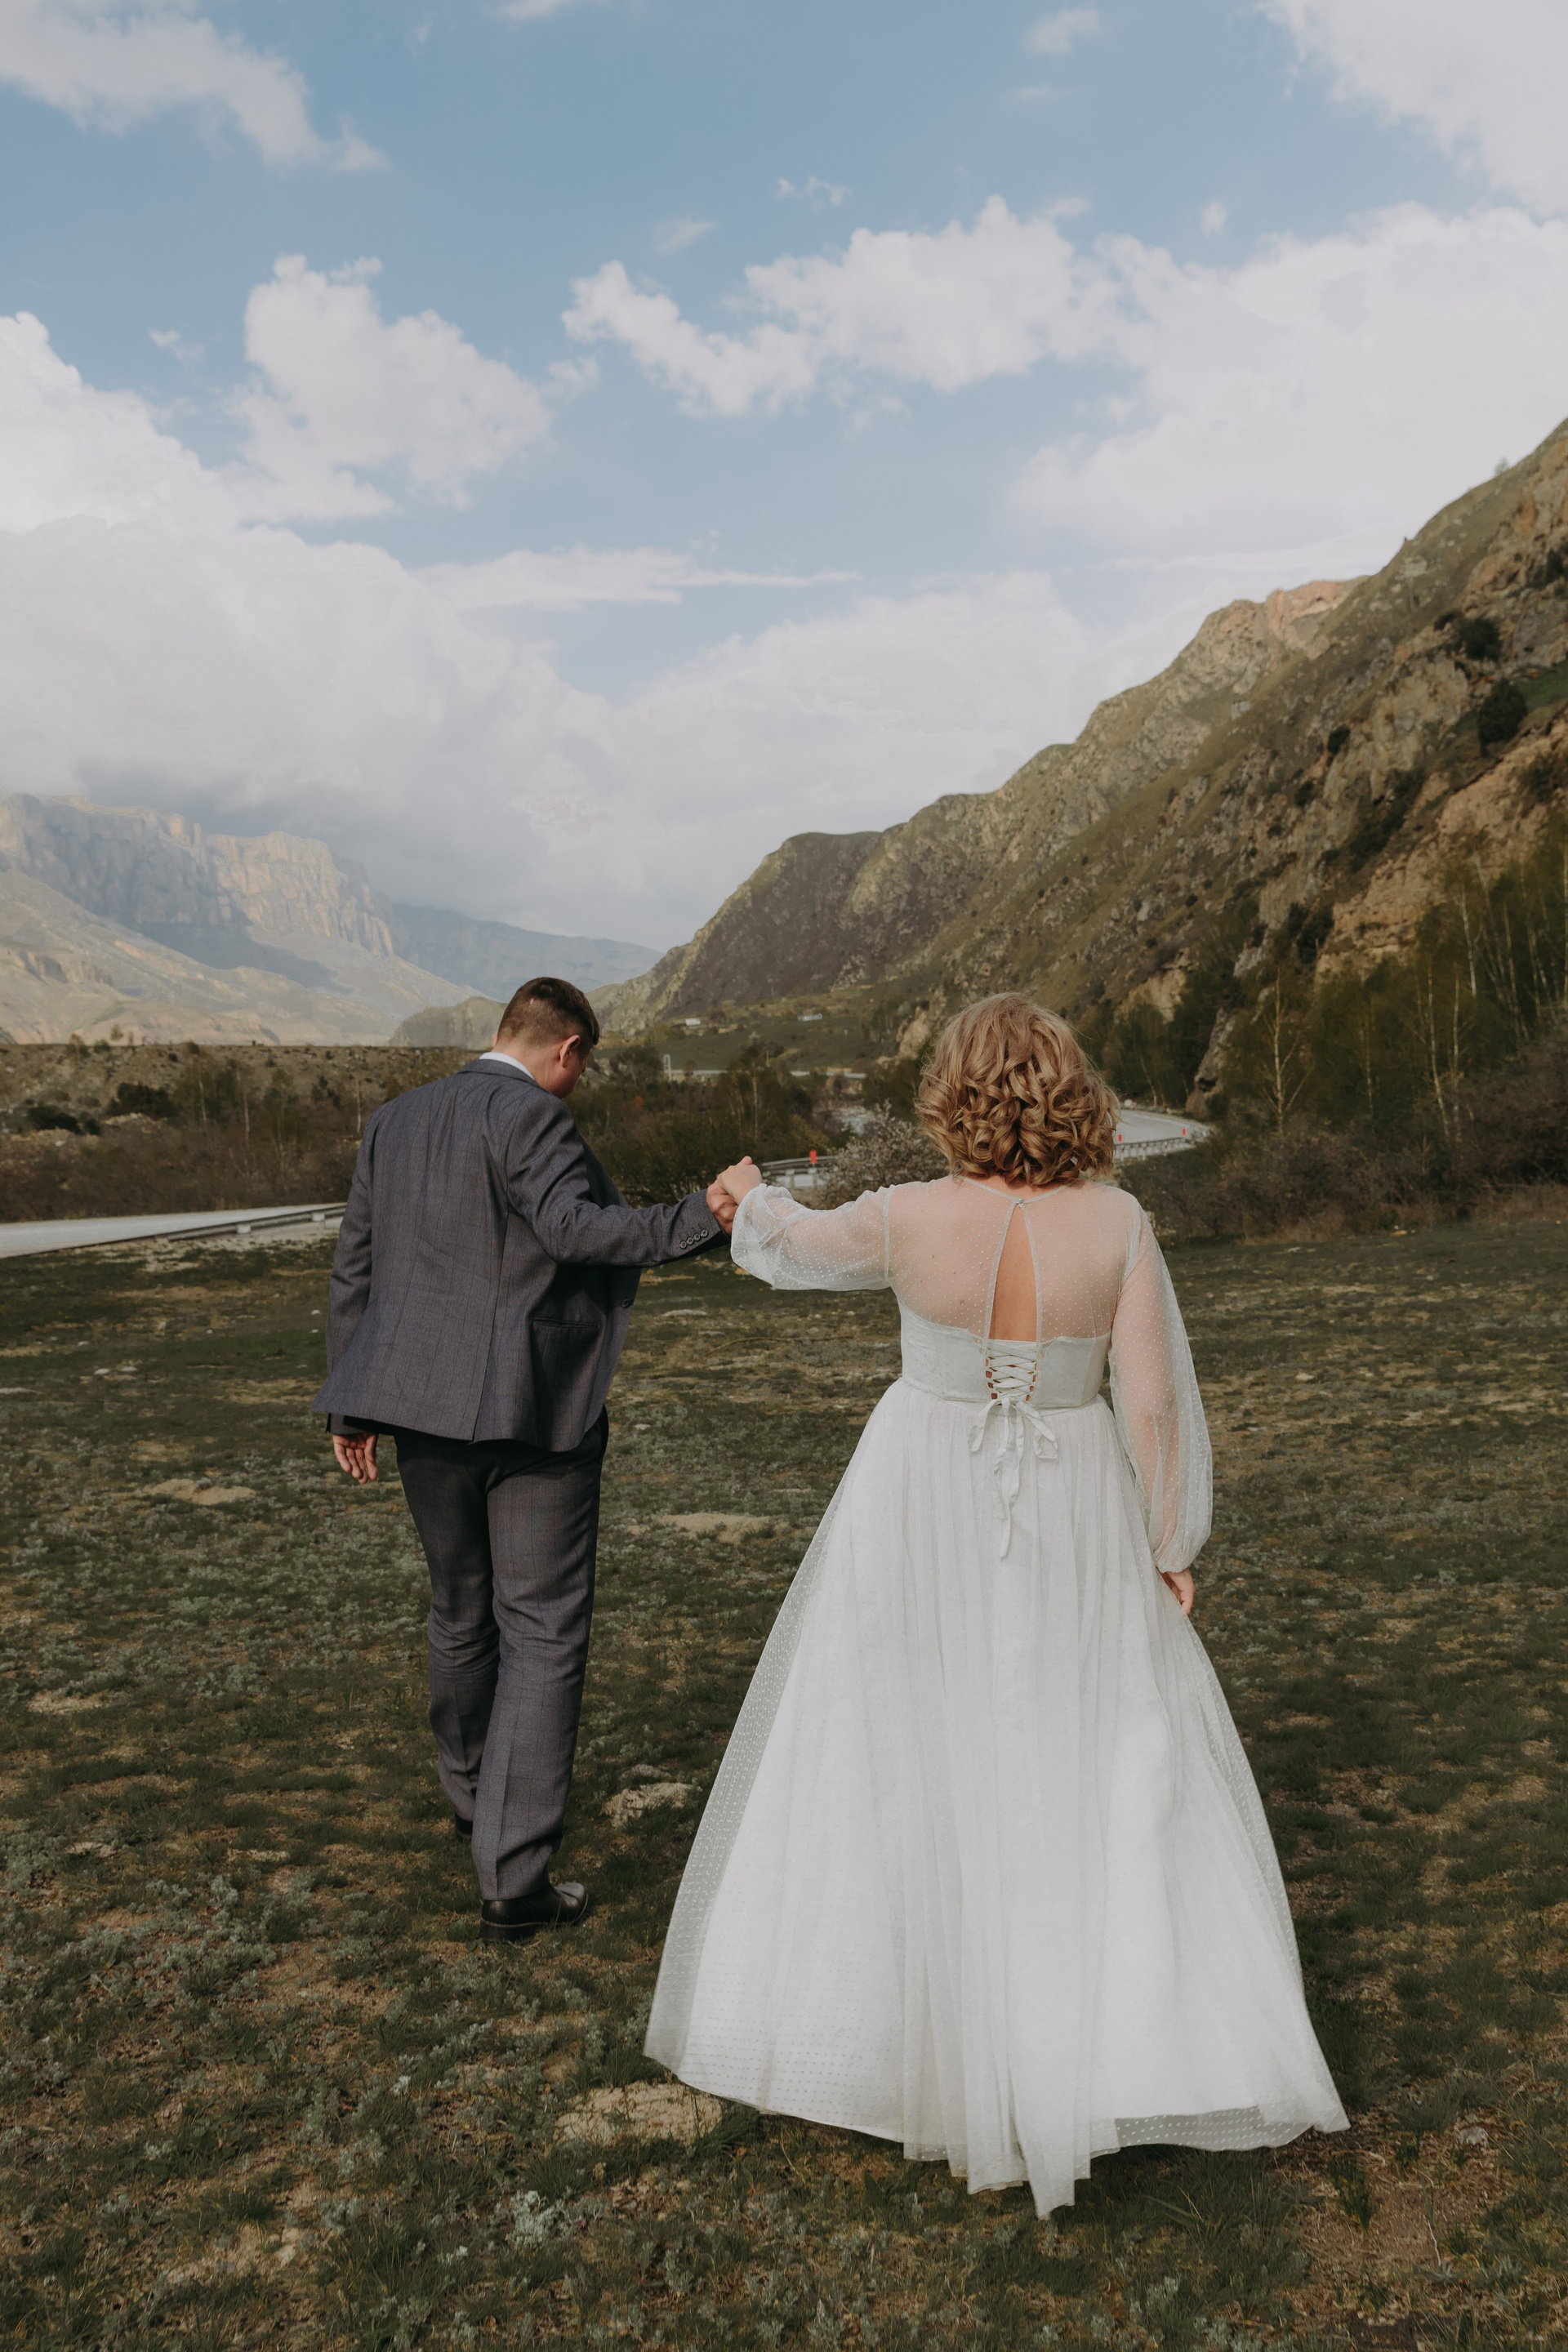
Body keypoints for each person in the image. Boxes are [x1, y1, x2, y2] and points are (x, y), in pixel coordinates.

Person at [645, 993, 1346, 2215]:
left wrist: (747, 1196)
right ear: (1070, 1093)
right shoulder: (1119, 1223)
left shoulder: (908, 1214)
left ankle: (891, 2023)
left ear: (954, 1095)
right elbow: (1153, 1403)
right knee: (1089, 1741)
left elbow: (795, 1246)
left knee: (897, 1732)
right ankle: (1121, 2037)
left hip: (921, 1494)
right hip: (1075, 1497)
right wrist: (1169, 1541)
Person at [314, 976, 738, 1944]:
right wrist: (699, 1215)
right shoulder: (535, 1116)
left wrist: (350, 1399)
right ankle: (512, 1876)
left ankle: (476, 1803)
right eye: (582, 1068)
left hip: (417, 1413)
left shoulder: (395, 1121)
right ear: (568, 1050)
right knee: (542, 1628)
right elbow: (574, 1230)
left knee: (459, 1611)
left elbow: (356, 1266)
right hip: (534, 1417)